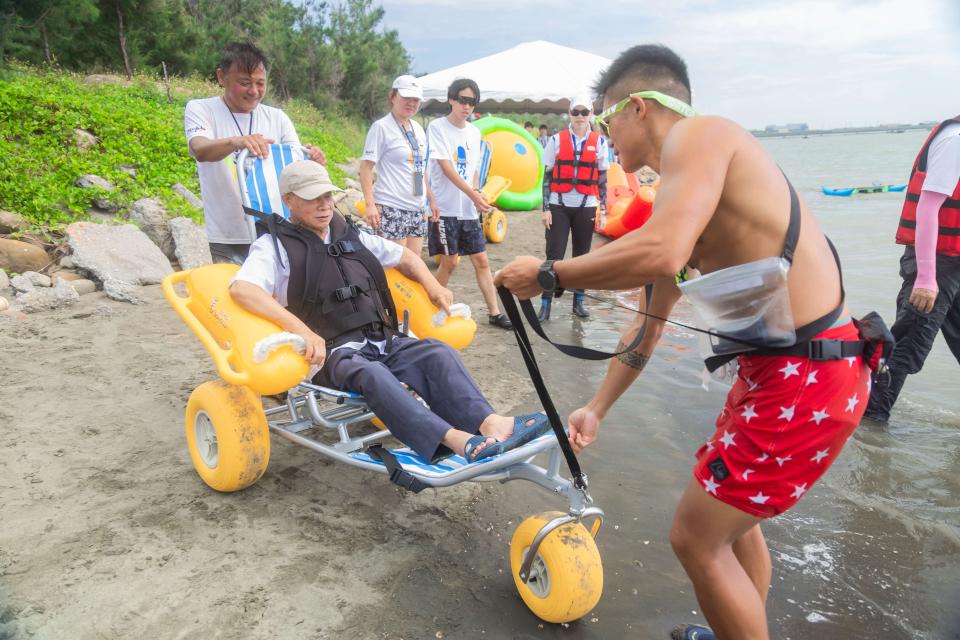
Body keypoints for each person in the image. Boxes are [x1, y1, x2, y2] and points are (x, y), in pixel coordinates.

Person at [495, 44, 871, 640]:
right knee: (733, 526)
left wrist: (549, 274)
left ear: (638, 107)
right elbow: (648, 326)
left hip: (807, 378)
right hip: (787, 376)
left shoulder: (700, 136)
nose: (603, 135)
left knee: (696, 539)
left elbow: (661, 251)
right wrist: (597, 408)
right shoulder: (685, 202)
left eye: (605, 118)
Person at [229, 160, 551, 464]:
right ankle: (456, 441)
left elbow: (406, 258)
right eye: (313, 198)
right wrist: (302, 331)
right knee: (373, 374)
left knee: (436, 352)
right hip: (332, 353)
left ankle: (491, 423)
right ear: (289, 200)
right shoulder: (274, 247)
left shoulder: (350, 234)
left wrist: (433, 286)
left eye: (327, 196)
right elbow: (242, 288)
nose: (325, 205)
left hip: (382, 339)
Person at [184, 42, 326, 265]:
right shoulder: (201, 109)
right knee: (232, 287)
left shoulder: (277, 117)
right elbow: (199, 149)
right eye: (244, 83)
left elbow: (296, 169)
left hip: (278, 231)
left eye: (260, 83)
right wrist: (236, 142)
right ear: (221, 77)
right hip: (226, 235)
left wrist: (313, 160)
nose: (254, 91)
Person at [863, 116, 960, 422]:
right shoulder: (956, 140)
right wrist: (927, 278)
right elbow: (928, 207)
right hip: (935, 265)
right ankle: (869, 425)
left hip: (954, 262)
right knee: (907, 348)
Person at [426, 78, 513, 330]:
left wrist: (476, 192)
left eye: (472, 102)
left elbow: (473, 169)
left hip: (468, 210)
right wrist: (473, 195)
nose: (466, 106)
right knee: (450, 262)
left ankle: (495, 312)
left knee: (482, 261)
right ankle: (430, 304)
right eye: (462, 100)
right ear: (451, 99)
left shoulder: (474, 133)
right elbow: (447, 168)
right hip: (445, 208)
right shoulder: (437, 128)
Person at [537, 97, 609, 321]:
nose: (580, 116)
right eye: (575, 112)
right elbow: (547, 177)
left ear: (591, 113)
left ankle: (578, 302)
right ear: (569, 113)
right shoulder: (556, 140)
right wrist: (545, 208)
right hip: (558, 205)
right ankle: (546, 303)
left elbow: (602, 179)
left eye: (584, 112)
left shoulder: (599, 142)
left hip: (586, 206)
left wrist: (603, 210)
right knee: (553, 255)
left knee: (582, 257)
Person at [360, 75, 429, 255]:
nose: (411, 103)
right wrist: (370, 205)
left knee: (415, 264)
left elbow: (421, 167)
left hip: (417, 207)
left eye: (416, 99)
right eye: (406, 97)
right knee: (396, 264)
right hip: (391, 205)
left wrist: (430, 199)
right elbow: (366, 167)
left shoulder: (418, 128)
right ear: (393, 96)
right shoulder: (381, 127)